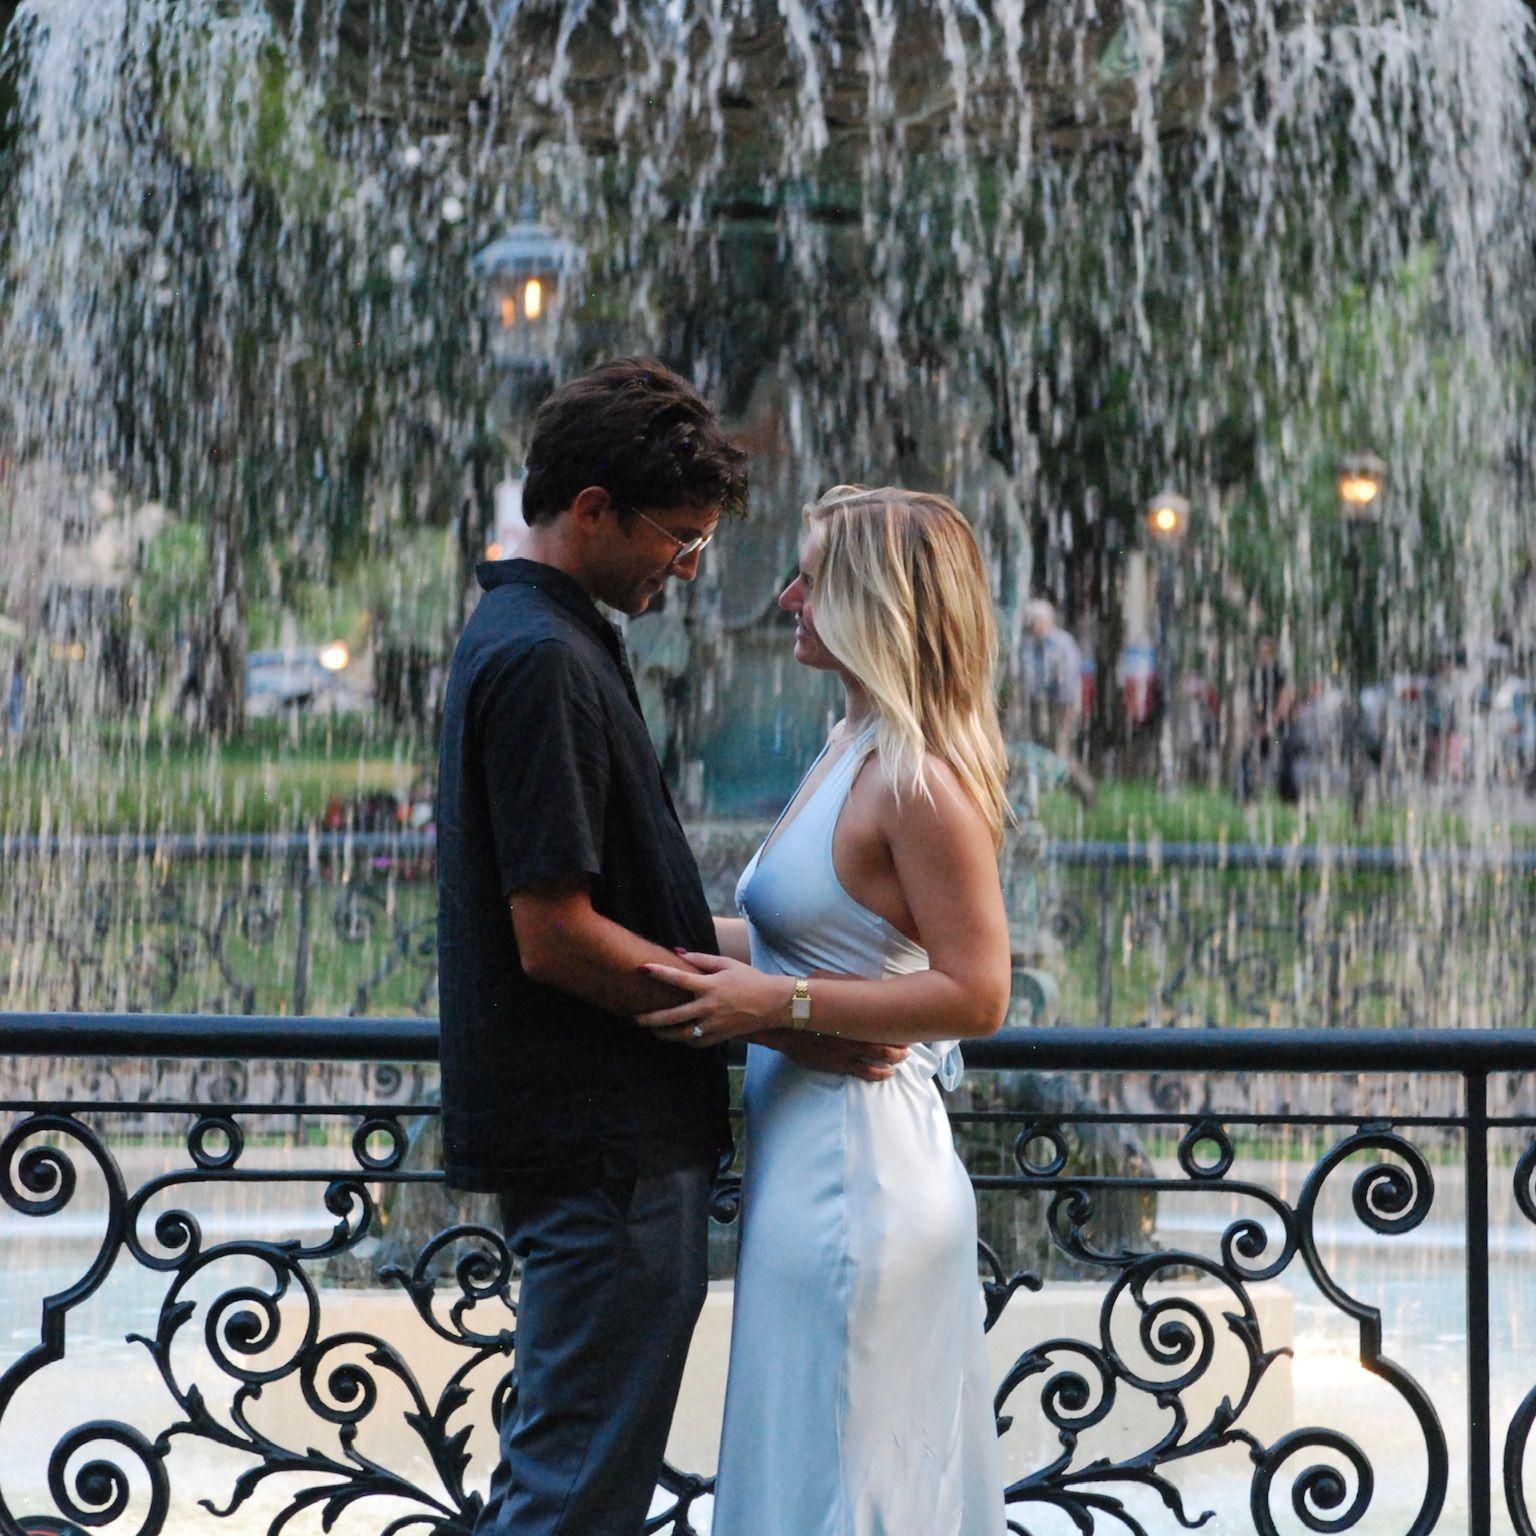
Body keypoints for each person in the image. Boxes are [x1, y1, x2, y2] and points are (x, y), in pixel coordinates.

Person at [435, 361, 908, 1536]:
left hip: (601, 1146)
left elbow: (612, 910)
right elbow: (555, 937)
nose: (689, 571)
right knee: (571, 1502)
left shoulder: (538, 636)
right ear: (592, 510)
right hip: (608, 1153)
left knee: (571, 1484)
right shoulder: (544, 661)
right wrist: (756, 1010)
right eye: (679, 542)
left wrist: (792, 977)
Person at [636, 485, 1012, 1536]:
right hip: (810, 1159)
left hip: (864, 1181)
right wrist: (622, 940)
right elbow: (801, 939)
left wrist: (782, 1003)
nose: (788, 594)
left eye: (814, 577)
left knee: (850, 1484)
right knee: (813, 1470)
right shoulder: (848, 741)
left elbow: (978, 991)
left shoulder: (916, 777)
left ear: (877, 604)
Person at [1021, 596, 1095, 803]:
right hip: (1043, 706)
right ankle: (1050, 794)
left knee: (1061, 753)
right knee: (1044, 752)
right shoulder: (1030, 644)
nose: (1031, 625)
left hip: (1064, 706)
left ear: (1046, 620)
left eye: (1034, 620)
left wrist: (1066, 713)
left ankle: (1085, 791)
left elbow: (1069, 682)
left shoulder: (1062, 644)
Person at [1239, 632, 1296, 801]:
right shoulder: (1254, 674)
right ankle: (1247, 798)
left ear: (1271, 652)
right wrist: (1253, 724)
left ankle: (1291, 799)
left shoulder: (1279, 672)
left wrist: (1270, 725)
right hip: (1261, 727)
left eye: (1265, 651)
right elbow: (1250, 701)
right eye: (1259, 651)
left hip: (1280, 727)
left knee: (1283, 762)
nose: (1261, 654)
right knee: (1249, 757)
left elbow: (1285, 700)